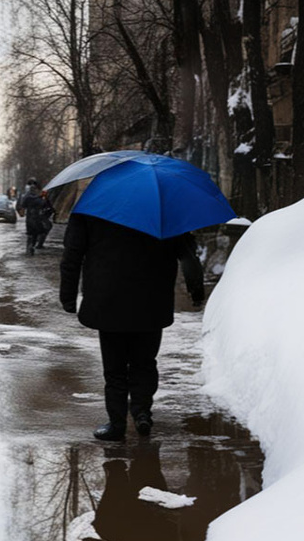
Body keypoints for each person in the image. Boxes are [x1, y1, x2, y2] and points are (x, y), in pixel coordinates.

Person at [60, 212, 205, 441]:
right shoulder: (161, 208)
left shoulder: (93, 208)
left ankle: (116, 425)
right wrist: (196, 289)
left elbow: (72, 254)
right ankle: (142, 413)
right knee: (145, 362)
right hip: (151, 300)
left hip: (108, 300)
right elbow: (186, 254)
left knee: (115, 369)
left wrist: (67, 296)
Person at [17, 179, 45, 255]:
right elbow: (43, 205)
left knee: (30, 233)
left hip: (29, 217)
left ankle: (29, 247)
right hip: (37, 217)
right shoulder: (38, 198)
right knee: (35, 233)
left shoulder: (27, 197)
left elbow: (22, 206)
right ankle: (32, 246)